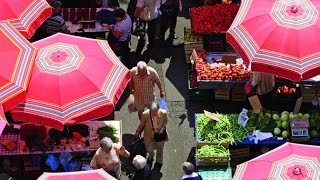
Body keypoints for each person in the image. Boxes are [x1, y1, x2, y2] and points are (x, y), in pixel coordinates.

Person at [134, 102, 168, 170]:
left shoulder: (164, 112)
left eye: (155, 113)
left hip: (160, 136)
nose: (154, 114)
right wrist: (137, 132)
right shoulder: (145, 114)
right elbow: (142, 124)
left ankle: (159, 161)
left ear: (159, 109)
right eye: (152, 113)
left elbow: (166, 120)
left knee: (160, 150)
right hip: (149, 136)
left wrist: (163, 127)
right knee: (149, 149)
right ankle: (150, 157)